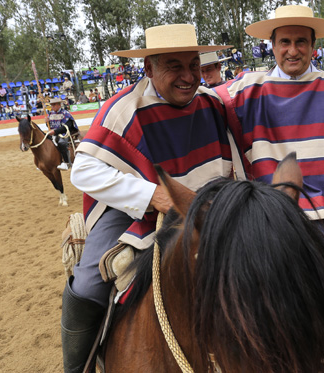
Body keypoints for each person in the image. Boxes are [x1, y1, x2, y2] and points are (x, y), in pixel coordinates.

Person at [63, 24, 232, 373]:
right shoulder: (124, 109)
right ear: (149, 68)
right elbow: (82, 170)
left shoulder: (212, 104)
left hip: (208, 205)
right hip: (135, 211)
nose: (188, 76)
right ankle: (76, 367)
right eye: (174, 65)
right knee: (89, 283)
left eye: (194, 64)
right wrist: (151, 194)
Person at [217, 5, 324, 226]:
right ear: (273, 45)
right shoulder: (244, 92)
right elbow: (197, 107)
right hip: (269, 211)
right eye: (285, 42)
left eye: (301, 42)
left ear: (313, 45)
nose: (293, 50)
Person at [45, 97, 77, 170]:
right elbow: (49, 126)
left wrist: (55, 131)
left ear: (59, 105)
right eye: (51, 105)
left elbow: (68, 126)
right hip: (53, 132)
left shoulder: (65, 113)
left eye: (54, 105)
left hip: (64, 133)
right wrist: (47, 122)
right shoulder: (50, 114)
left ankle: (66, 163)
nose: (52, 107)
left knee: (61, 143)